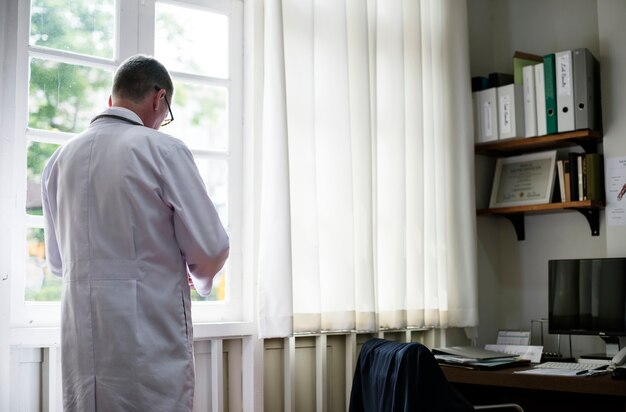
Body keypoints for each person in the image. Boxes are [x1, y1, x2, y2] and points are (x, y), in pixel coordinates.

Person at [42, 54, 229, 412]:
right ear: (160, 99)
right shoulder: (163, 149)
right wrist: (195, 274)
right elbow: (211, 246)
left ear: (112, 100)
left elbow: (57, 263)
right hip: (147, 343)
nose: (162, 123)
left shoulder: (59, 159)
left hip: (82, 343)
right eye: (166, 115)